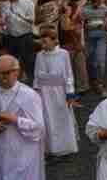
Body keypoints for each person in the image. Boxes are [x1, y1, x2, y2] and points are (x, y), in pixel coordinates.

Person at [33, 26, 79, 157]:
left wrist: (70, 93)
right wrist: (36, 92)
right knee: (48, 119)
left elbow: (69, 74)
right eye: (42, 42)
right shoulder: (39, 55)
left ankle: (65, 147)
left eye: (46, 42)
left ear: (54, 41)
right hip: (45, 93)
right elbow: (36, 75)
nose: (43, 45)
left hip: (60, 92)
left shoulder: (63, 54)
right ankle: (51, 148)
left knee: (62, 118)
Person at [0, 0, 36, 82]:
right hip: (10, 38)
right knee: (11, 63)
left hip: (25, 37)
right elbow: (3, 23)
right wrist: (3, 25)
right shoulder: (4, 5)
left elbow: (32, 20)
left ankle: (32, 83)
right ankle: (14, 83)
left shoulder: (28, 3)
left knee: (29, 62)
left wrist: (19, 16)